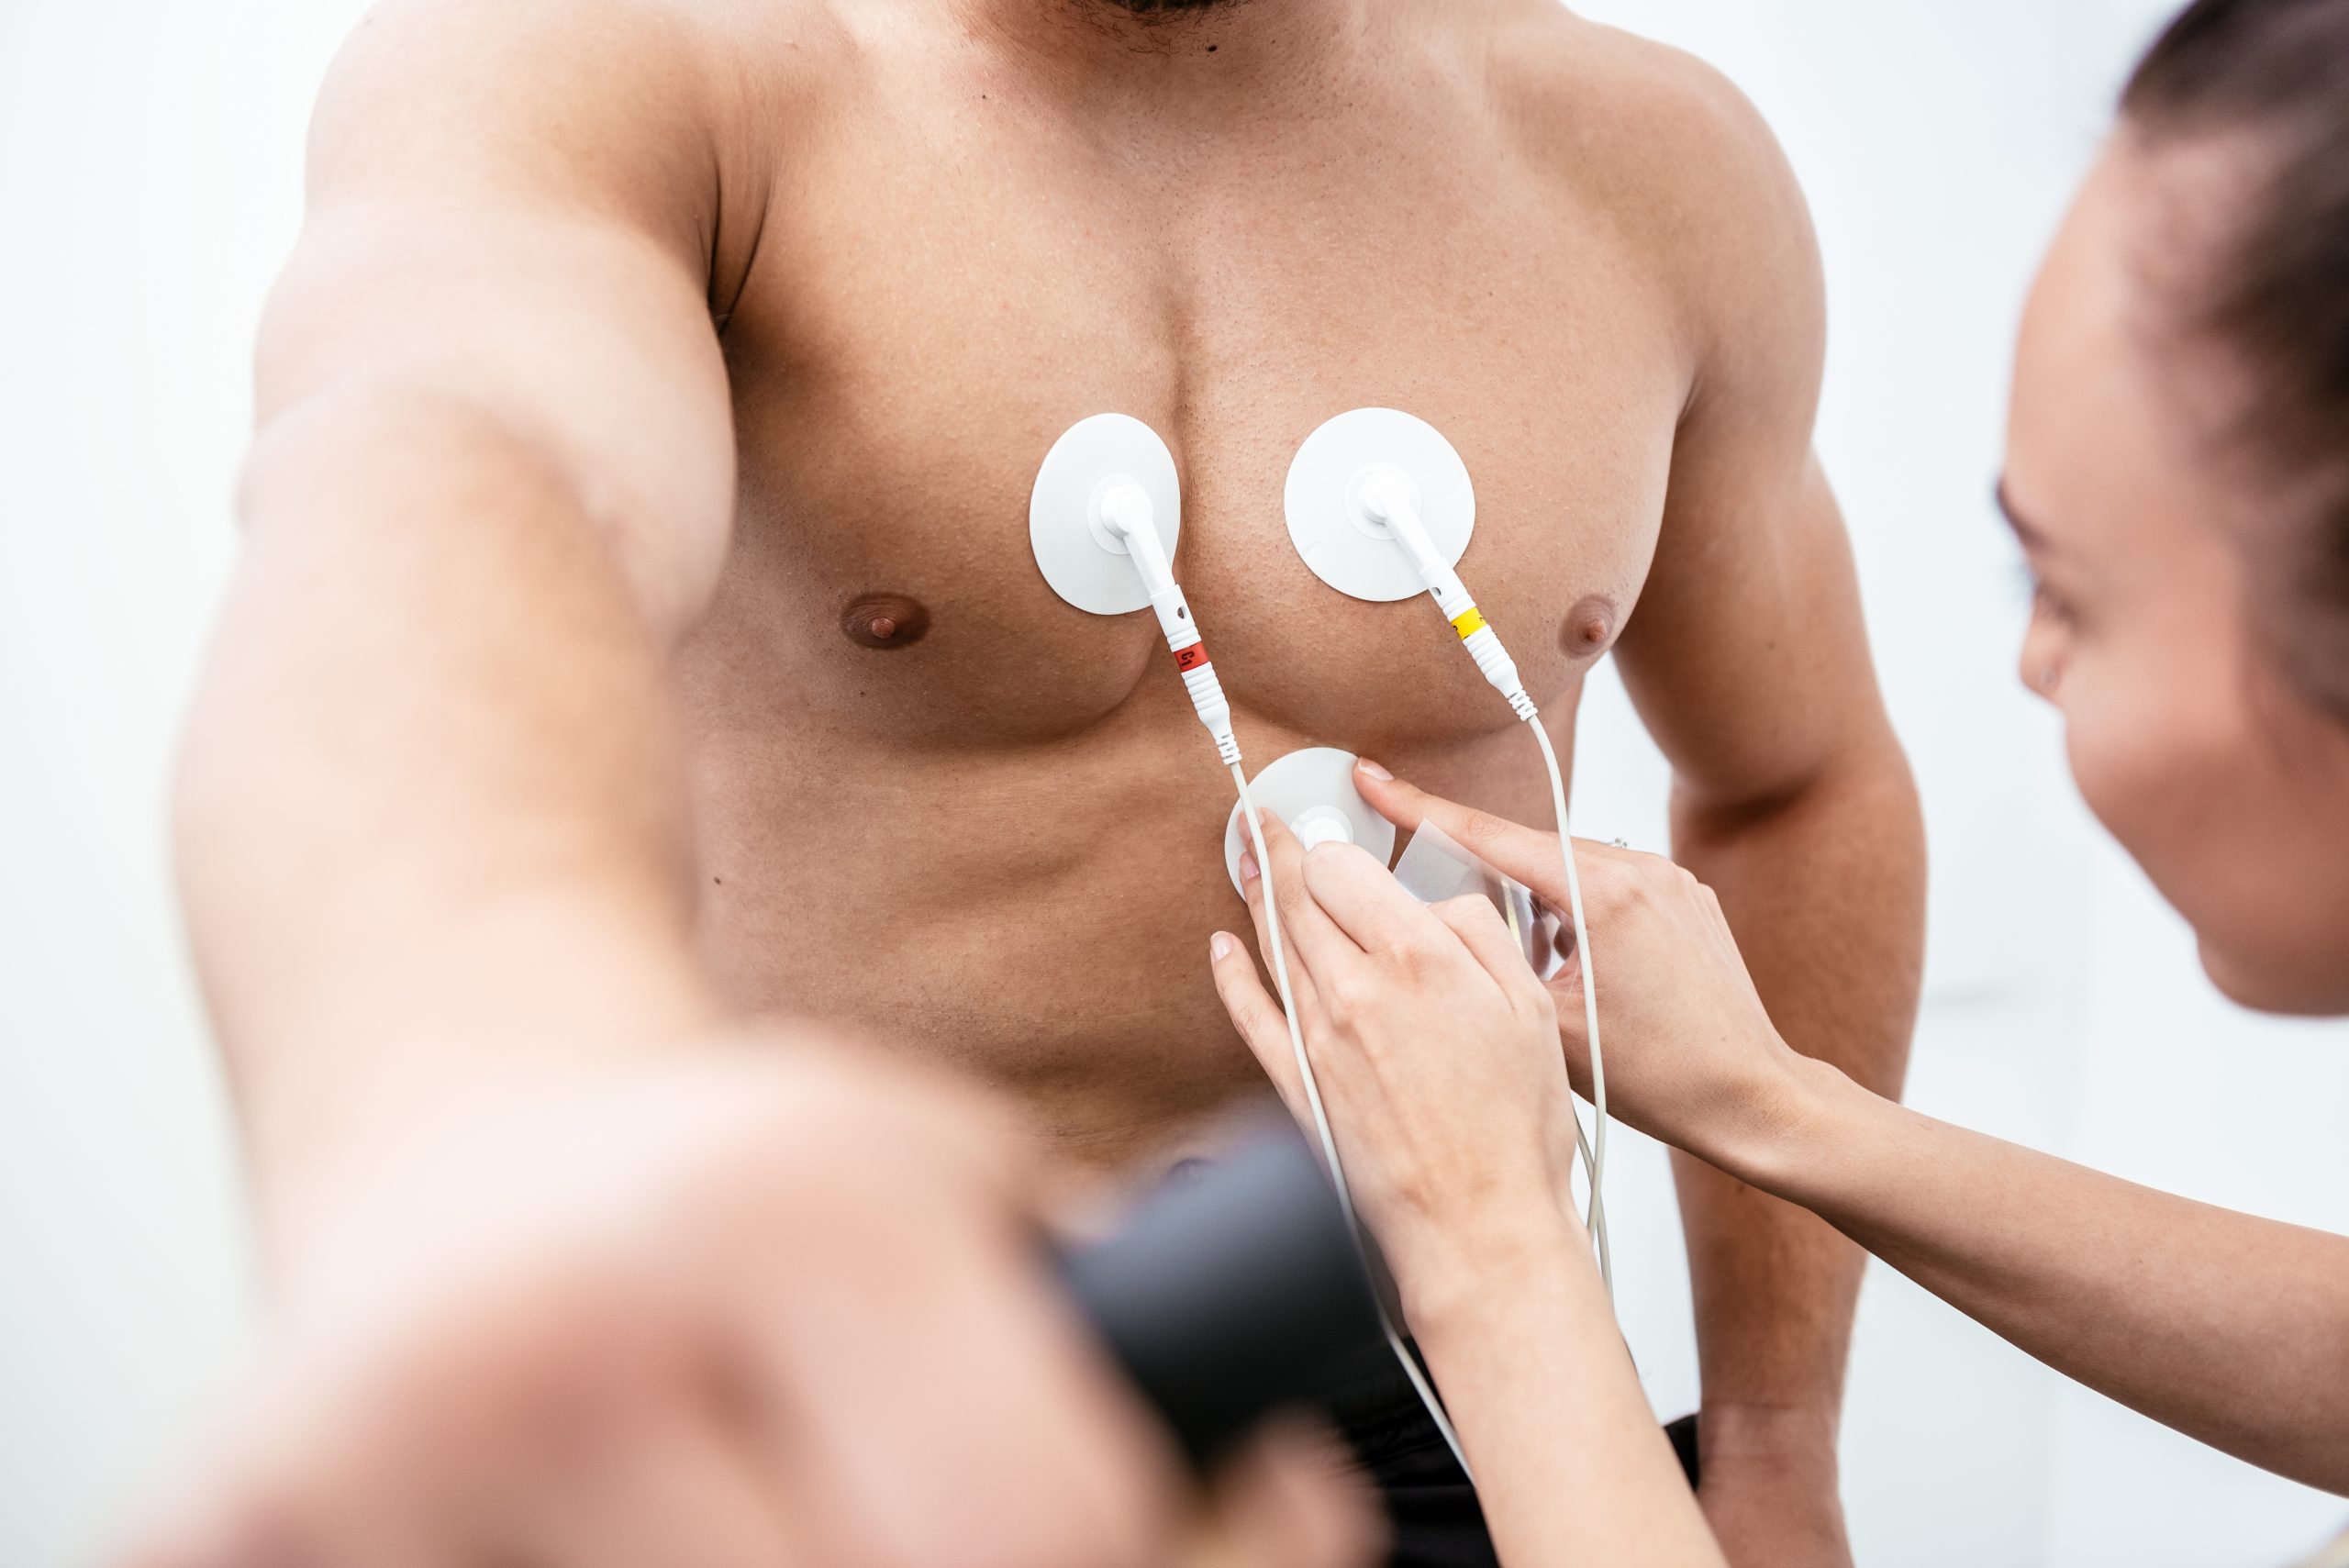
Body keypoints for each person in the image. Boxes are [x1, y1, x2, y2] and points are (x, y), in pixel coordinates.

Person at [154, 0, 1926, 1562]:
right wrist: (464, 1159)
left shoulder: (1647, 158)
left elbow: (1796, 778)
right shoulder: (622, 64)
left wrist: (1777, 1442)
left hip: (1484, 1382)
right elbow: (450, 474)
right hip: (875, 1399)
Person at [1207, 1, 2349, 1559]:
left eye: (2062, 588)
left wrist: (1490, 1231)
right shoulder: (758, 117)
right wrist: (1773, 1103)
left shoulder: (1641, 162)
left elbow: (1802, 775)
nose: (2030, 662)